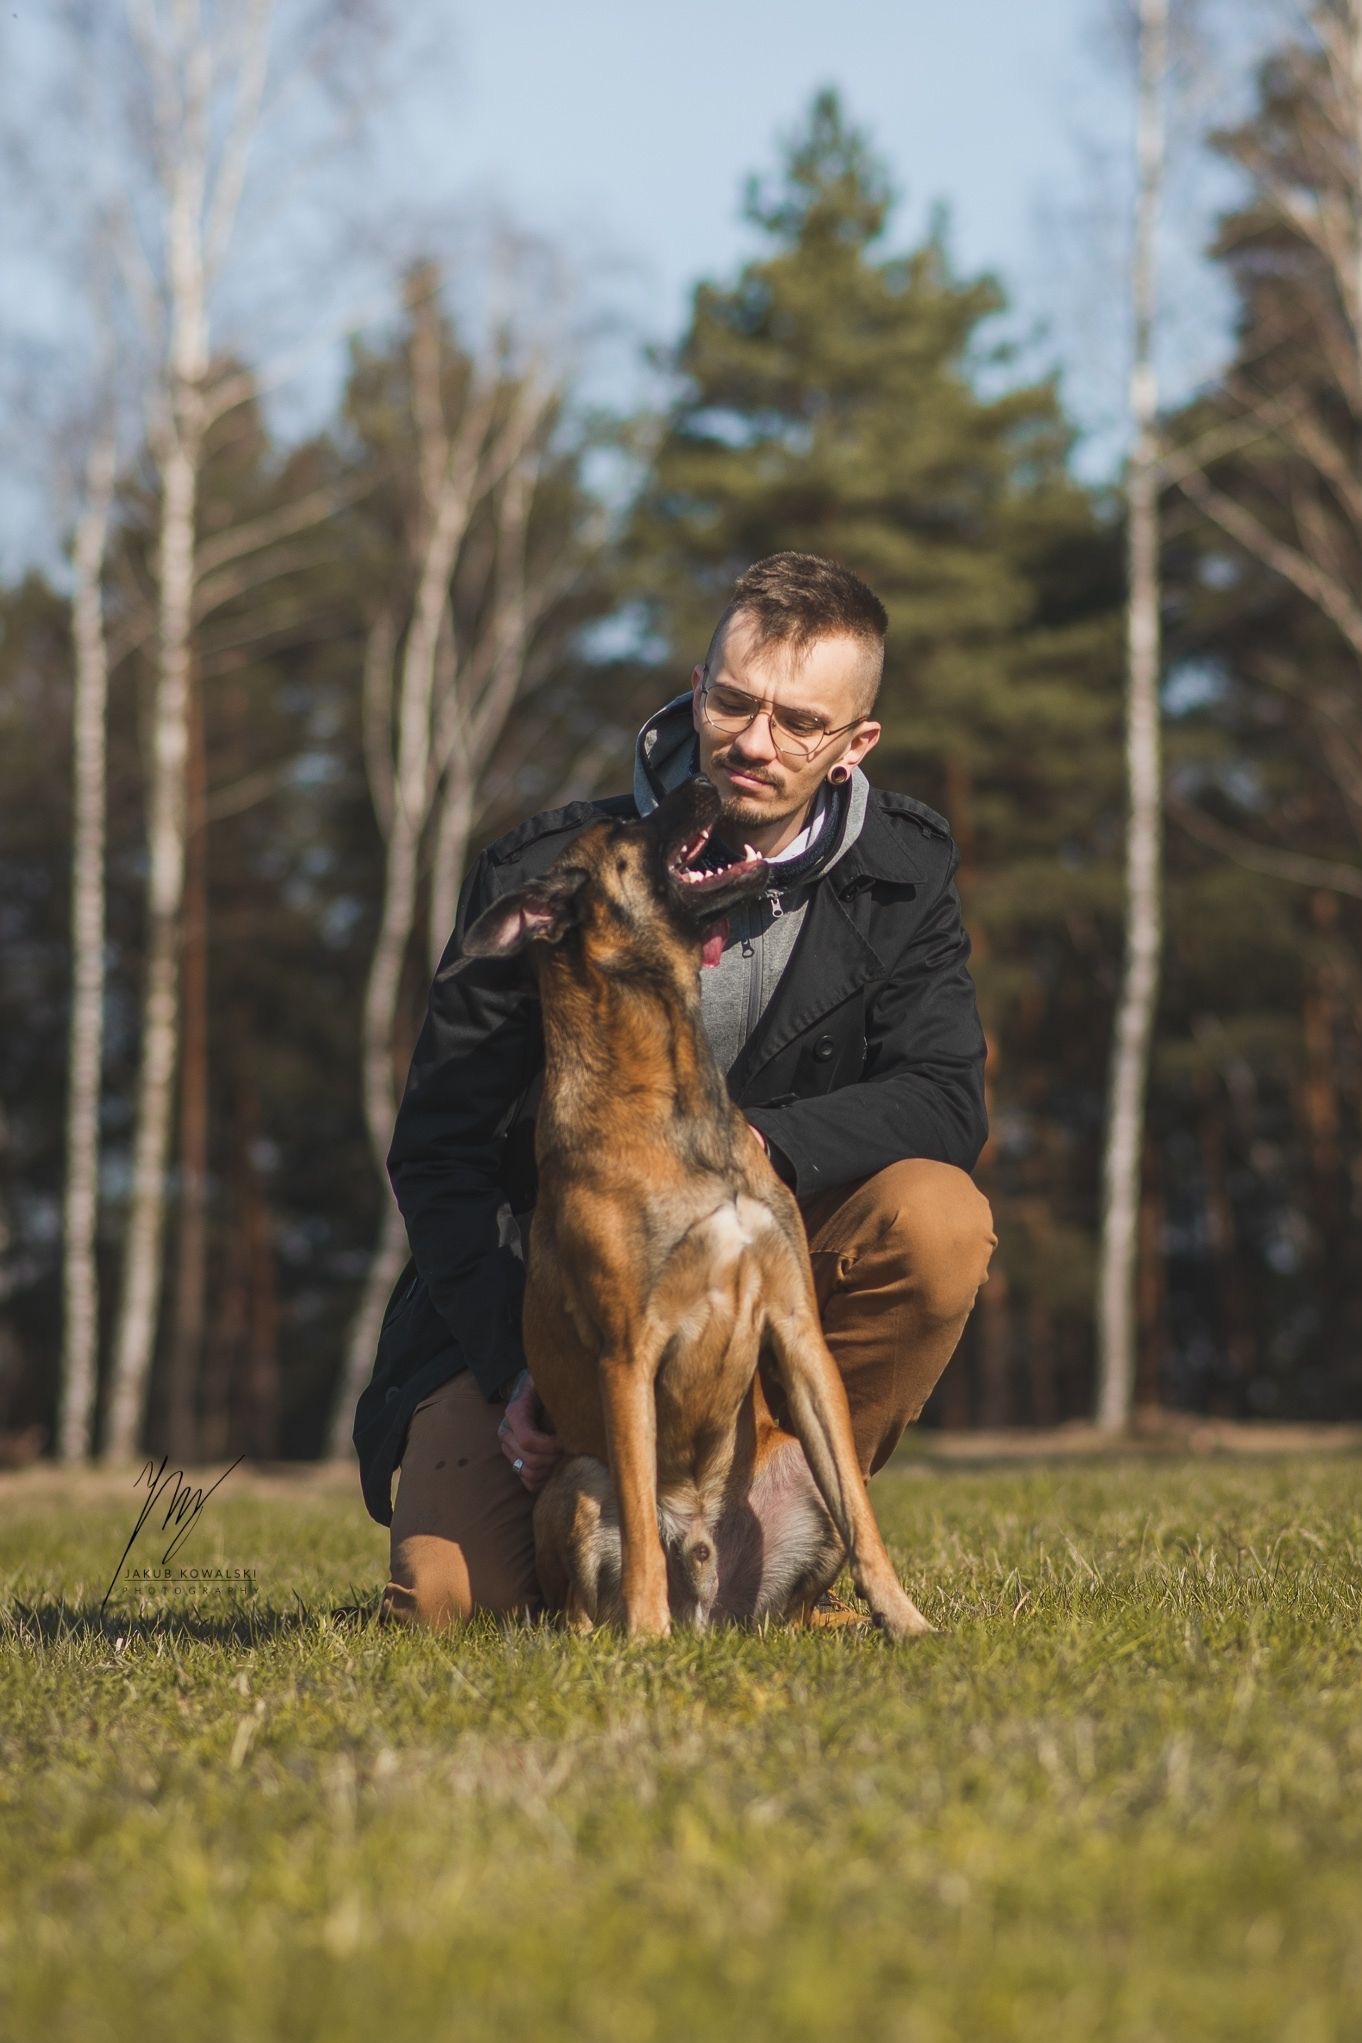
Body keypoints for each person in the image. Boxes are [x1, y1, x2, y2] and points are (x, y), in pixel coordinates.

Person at [355, 551, 996, 1629]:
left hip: (755, 1293)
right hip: (554, 1313)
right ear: (697, 693)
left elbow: (944, 1097)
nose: (755, 742)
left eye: (800, 722)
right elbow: (439, 1152)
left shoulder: (902, 873)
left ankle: (777, 1535)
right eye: (735, 703)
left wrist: (754, 1146)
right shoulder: (546, 878)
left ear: (855, 744)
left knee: (939, 1220)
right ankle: (622, 1550)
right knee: (448, 1605)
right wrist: (523, 1365)